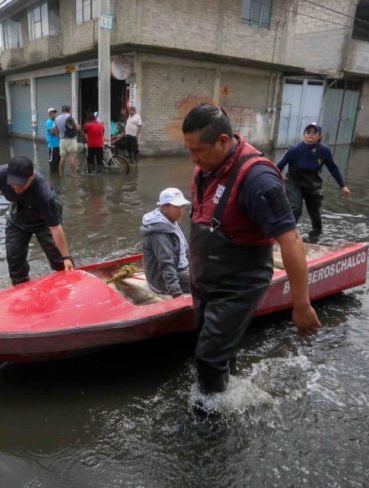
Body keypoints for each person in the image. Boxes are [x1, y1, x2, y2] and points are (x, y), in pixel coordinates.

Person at [182, 103, 320, 395]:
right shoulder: (206, 168)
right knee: (215, 351)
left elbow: (291, 240)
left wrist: (301, 304)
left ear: (223, 140)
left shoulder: (258, 179)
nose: (193, 159)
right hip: (206, 280)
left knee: (207, 360)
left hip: (238, 284)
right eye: (189, 151)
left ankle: (211, 422)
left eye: (198, 151)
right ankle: (225, 393)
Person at [0, 156, 75, 285]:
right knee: (14, 260)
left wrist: (66, 257)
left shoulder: (43, 192)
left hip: (43, 219)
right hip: (18, 216)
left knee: (59, 260)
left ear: (31, 177)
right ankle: (21, 286)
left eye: (21, 184)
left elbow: (55, 227)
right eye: (13, 183)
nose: (16, 188)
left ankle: (70, 280)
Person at [276, 123, 350, 238]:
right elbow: (278, 167)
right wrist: (273, 182)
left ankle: (317, 235)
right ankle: (288, 235)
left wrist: (342, 186)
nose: (310, 134)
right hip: (294, 182)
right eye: (308, 132)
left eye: (314, 132)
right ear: (303, 135)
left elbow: (333, 168)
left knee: (314, 212)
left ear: (319, 136)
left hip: (312, 184)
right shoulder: (294, 150)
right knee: (295, 208)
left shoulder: (324, 151)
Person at [140, 188, 191, 297]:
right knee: (207, 281)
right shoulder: (159, 232)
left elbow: (185, 250)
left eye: (182, 206)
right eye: (176, 207)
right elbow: (166, 263)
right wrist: (176, 293)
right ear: (164, 207)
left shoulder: (171, 220)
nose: (181, 211)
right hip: (163, 281)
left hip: (180, 269)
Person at [55, 105, 80, 177]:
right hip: (71, 139)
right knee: (72, 157)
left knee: (62, 158)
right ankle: (73, 175)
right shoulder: (71, 117)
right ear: (69, 110)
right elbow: (77, 128)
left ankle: (61, 174)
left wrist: (60, 137)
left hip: (62, 140)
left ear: (62, 110)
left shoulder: (57, 118)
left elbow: (56, 131)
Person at [45, 108, 60, 173]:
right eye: (52, 113)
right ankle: (53, 175)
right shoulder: (49, 122)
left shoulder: (56, 121)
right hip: (52, 145)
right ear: (49, 114)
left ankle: (56, 174)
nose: (54, 114)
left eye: (54, 113)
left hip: (59, 144)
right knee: (52, 160)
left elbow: (58, 131)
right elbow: (52, 133)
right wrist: (58, 131)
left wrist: (56, 130)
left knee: (58, 160)